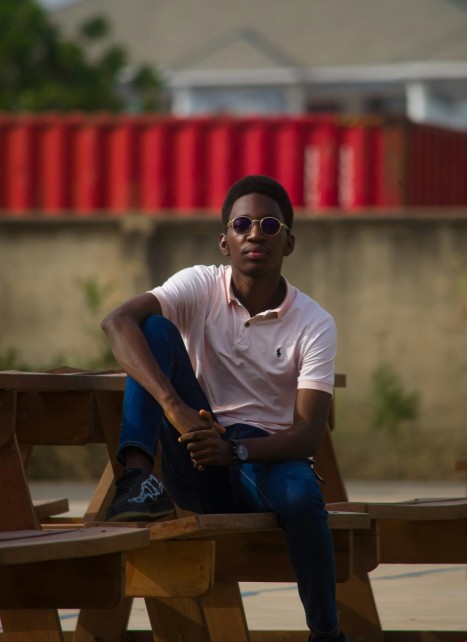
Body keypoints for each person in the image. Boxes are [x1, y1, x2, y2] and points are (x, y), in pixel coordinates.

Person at [101, 174, 347, 642]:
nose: (255, 233)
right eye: (242, 224)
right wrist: (176, 410)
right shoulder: (199, 286)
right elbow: (116, 322)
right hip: (192, 452)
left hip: (262, 462)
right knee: (152, 330)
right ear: (225, 240)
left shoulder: (315, 323)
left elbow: (310, 435)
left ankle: (326, 632)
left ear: (289, 242)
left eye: (270, 225)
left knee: (302, 494)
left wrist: (235, 452)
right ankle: (136, 481)